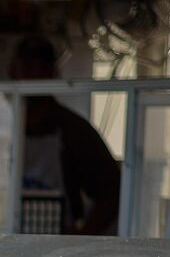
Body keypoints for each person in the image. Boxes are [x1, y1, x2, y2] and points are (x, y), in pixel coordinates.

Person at [9, 36, 121, 236]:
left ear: (51, 73)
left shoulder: (73, 130)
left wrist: (79, 238)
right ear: (13, 72)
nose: (30, 75)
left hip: (55, 251)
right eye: (25, 67)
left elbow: (112, 195)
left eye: (39, 67)